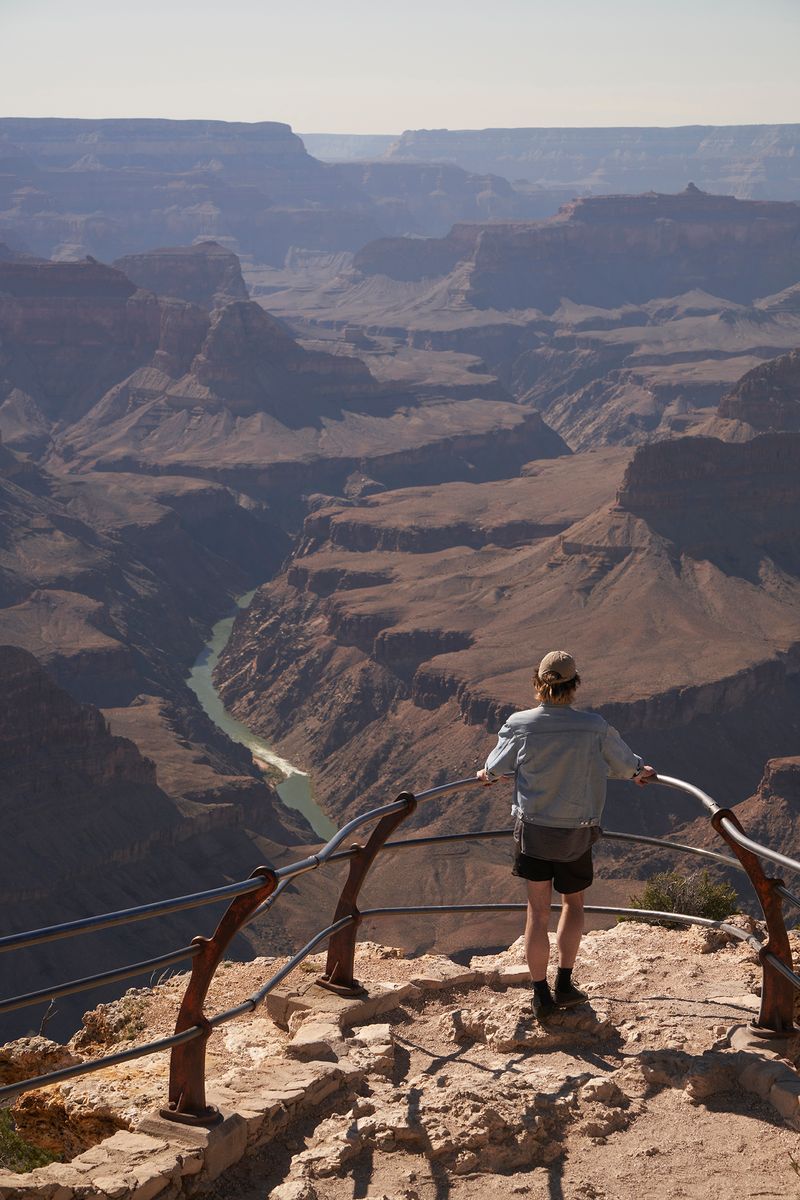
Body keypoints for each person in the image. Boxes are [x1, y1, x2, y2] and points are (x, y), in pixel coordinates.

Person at [477, 649, 656, 1020]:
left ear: (538, 684)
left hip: (534, 832)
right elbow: (626, 765)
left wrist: (488, 776)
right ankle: (565, 982)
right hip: (577, 832)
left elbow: (495, 767)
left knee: (537, 912)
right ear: (575, 685)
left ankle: (540, 994)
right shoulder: (594, 726)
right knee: (573, 905)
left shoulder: (520, 723)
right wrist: (640, 770)